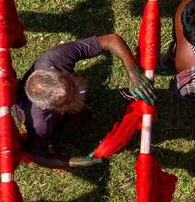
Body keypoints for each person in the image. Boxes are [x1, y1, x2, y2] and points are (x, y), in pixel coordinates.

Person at [16, 33, 154, 170]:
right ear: (51, 108)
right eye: (68, 101)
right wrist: (78, 161)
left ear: (57, 72)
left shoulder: (55, 58)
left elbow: (111, 40)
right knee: (50, 141)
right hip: (43, 121)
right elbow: (38, 156)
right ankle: (58, 136)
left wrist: (133, 72)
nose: (78, 94)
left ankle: (77, 113)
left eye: (71, 85)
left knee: (79, 113)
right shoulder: (39, 122)